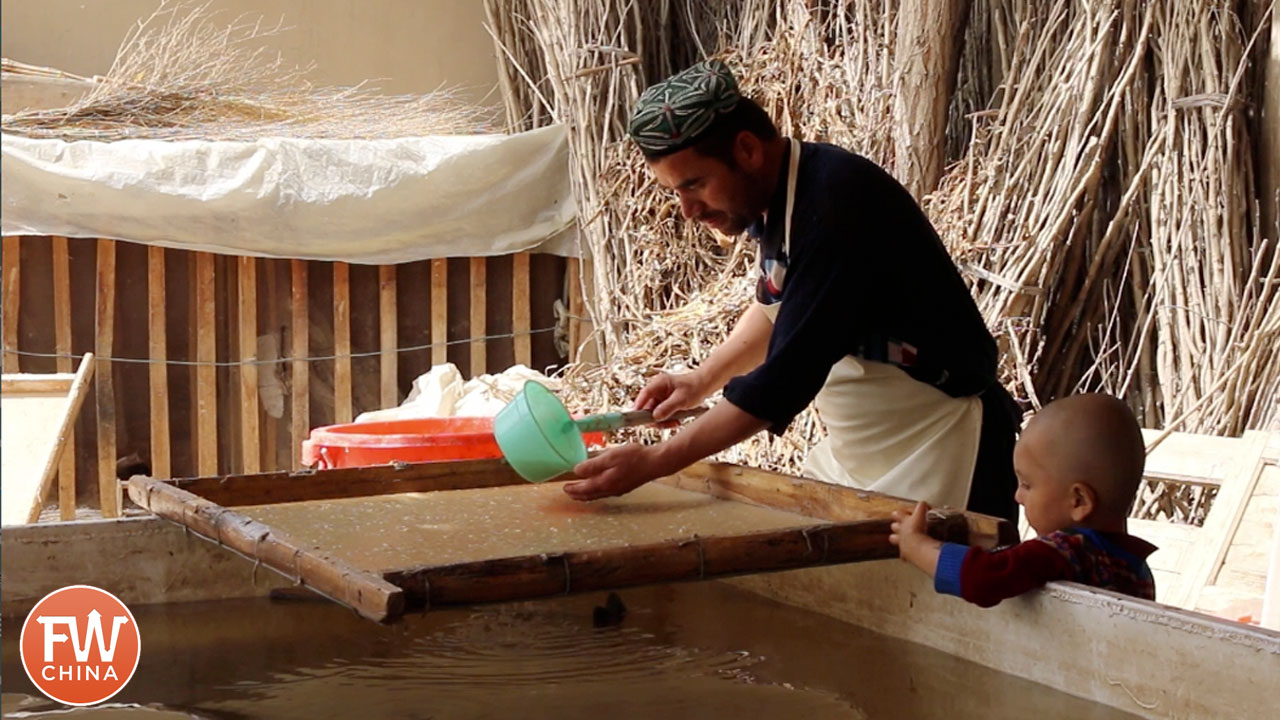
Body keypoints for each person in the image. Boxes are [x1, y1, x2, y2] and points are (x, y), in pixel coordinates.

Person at [565, 59, 1021, 524]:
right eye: (675, 192)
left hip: (940, 441)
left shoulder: (837, 207)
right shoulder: (778, 198)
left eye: (695, 184)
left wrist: (655, 463)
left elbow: (778, 386)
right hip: (865, 450)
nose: (687, 210)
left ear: (746, 149)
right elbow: (775, 307)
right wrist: (698, 381)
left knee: (942, 590)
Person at [888, 393, 1158, 606]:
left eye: (1027, 485)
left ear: (1079, 501)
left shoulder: (1066, 551)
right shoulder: (1136, 571)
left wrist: (916, 546)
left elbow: (982, 578)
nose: (1017, 496)